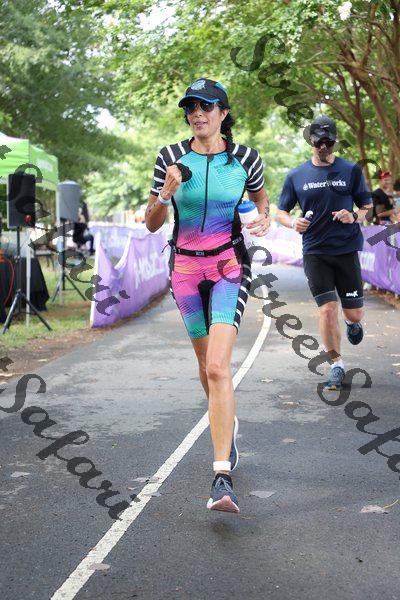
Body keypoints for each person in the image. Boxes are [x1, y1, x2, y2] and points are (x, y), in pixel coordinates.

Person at [145, 78, 269, 513]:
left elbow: (261, 199)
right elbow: (151, 222)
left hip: (228, 267)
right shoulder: (170, 156)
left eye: (206, 106)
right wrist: (166, 192)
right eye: (190, 107)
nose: (197, 113)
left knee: (218, 365)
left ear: (223, 113)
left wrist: (263, 217)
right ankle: (225, 421)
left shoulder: (246, 158)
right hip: (183, 270)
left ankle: (222, 476)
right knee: (205, 365)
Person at [276, 115, 373, 391]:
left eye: (328, 142)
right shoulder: (296, 176)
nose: (323, 147)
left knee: (354, 314)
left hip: (346, 250)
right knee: (327, 309)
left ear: (335, 141)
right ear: (311, 141)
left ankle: (351, 323)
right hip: (315, 252)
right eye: (318, 142)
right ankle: (336, 365)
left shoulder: (351, 170)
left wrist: (353, 216)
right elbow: (281, 212)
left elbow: (367, 207)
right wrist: (292, 222)